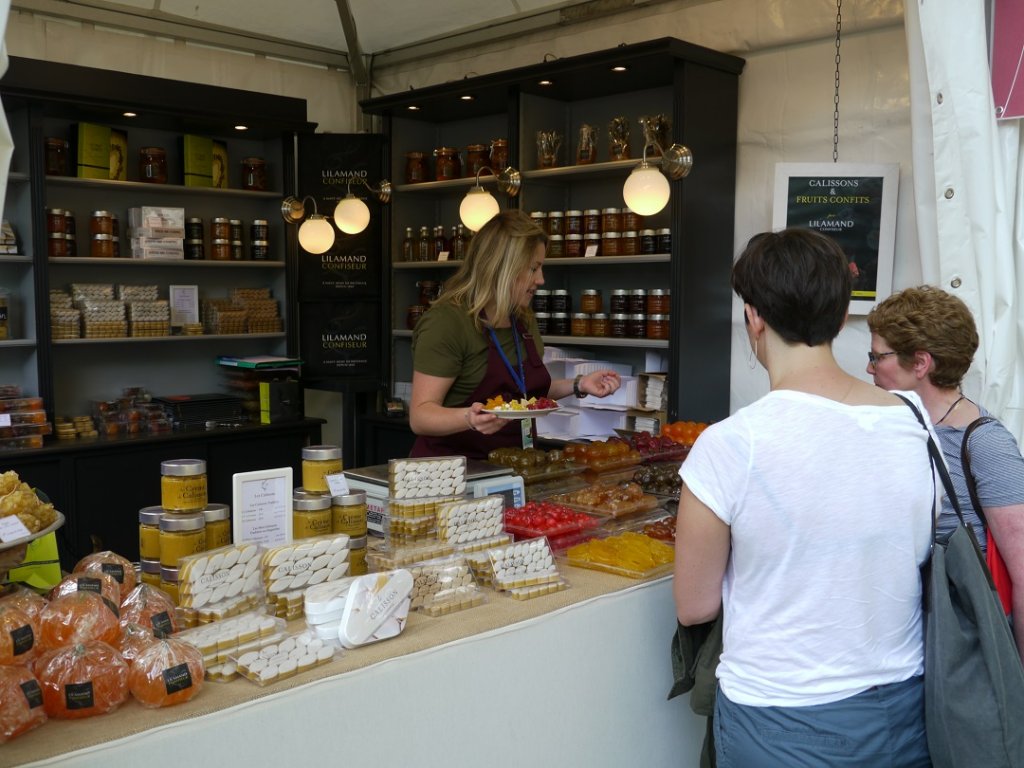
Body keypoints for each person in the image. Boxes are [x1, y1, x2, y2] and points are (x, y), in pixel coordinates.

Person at [674, 228, 934, 767]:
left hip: (778, 718)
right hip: (902, 706)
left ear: (754, 318)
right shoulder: (913, 419)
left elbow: (695, 604)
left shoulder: (730, 444)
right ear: (842, 320)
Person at [867, 285, 1024, 661]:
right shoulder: (894, 427)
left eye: (877, 357)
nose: (869, 368)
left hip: (960, 652)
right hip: (903, 651)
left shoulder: (986, 443)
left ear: (920, 363)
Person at [408, 209, 621, 459]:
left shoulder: (521, 318)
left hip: (511, 466)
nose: (541, 279)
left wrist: (579, 384)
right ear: (502, 267)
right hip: (450, 475)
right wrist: (469, 418)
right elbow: (421, 416)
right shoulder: (447, 322)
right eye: (533, 268)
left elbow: (522, 391)